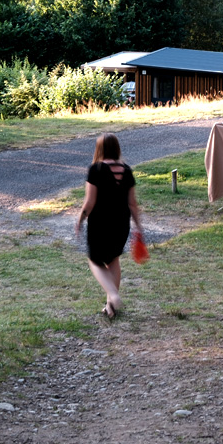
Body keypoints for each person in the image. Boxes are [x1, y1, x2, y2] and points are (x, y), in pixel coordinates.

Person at [75, 133, 144, 319]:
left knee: (95, 261)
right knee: (113, 260)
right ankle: (110, 307)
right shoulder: (127, 170)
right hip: (121, 223)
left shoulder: (96, 169)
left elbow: (89, 203)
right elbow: (132, 203)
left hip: (100, 223)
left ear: (100, 149)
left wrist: (80, 220)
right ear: (116, 148)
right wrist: (138, 226)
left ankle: (113, 295)